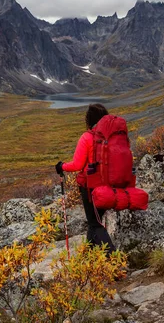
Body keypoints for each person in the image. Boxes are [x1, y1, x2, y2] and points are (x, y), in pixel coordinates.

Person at [55, 103, 116, 253]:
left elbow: (77, 164)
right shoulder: (113, 136)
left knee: (95, 224)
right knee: (93, 221)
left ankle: (114, 260)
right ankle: (88, 257)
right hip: (109, 185)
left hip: (90, 187)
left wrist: (61, 166)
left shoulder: (87, 137)